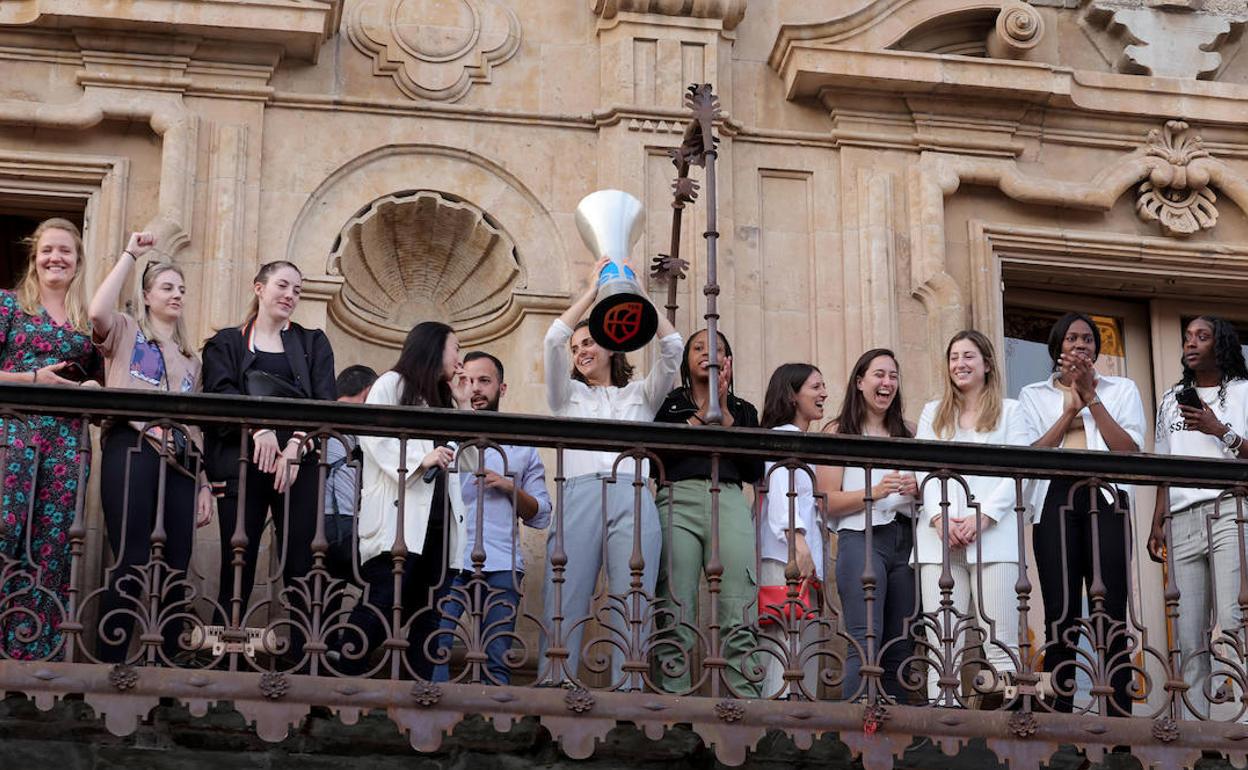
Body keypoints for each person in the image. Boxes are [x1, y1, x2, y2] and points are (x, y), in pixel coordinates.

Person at [541, 257, 682, 686]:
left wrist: (635, 294)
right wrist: (592, 291)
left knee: (633, 595)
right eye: (578, 346)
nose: (582, 350)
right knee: (566, 591)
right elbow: (552, 339)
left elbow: (672, 347)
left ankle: (630, 688)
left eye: (590, 342)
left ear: (611, 346)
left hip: (633, 495)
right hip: (580, 494)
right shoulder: (565, 397)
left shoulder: (641, 395)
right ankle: (555, 682)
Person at [88, 232, 214, 663]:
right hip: (132, 447)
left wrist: (203, 484)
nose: (176, 294)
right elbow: (96, 311)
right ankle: (111, 661)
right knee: (132, 556)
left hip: (180, 463)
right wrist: (129, 254)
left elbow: (195, 426)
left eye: (181, 289)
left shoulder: (191, 358)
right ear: (145, 297)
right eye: (167, 287)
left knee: (177, 563)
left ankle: (167, 667)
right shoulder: (124, 331)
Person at [201, 260, 337, 643]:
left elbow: (326, 404)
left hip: (298, 466)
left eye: (297, 290)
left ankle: (303, 660)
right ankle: (225, 659)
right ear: (258, 287)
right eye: (283, 285)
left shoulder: (313, 342)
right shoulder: (226, 342)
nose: (290, 295)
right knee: (237, 560)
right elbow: (220, 394)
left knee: (301, 564)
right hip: (242, 464)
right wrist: (257, 428)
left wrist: (295, 444)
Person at [1018, 312, 1144, 716]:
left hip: (1106, 499)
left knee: (1110, 609)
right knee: (1061, 610)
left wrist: (1092, 398)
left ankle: (1119, 717)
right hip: (1054, 499)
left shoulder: (1121, 389)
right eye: (1072, 339)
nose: (1081, 345)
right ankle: (1060, 713)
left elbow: (1129, 451)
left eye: (1088, 339)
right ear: (1057, 349)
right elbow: (1033, 456)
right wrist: (1069, 410)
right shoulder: (1033, 394)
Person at [342, 321, 470, 678]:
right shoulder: (391, 384)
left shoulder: (443, 398)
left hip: (441, 522)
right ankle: (341, 670)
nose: (459, 358)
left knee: (430, 611)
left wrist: (461, 404)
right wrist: (419, 461)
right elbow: (371, 435)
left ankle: (419, 689)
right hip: (400, 518)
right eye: (455, 348)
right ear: (434, 347)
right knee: (384, 598)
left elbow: (470, 456)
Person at [0, 217, 101, 660]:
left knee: (53, 546)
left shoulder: (86, 324)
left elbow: (112, 371)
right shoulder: (8, 306)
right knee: (5, 529)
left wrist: (99, 390)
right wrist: (33, 377)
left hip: (67, 441)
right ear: (34, 257)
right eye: (47, 250)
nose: (55, 258)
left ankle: (32, 652)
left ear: (78, 263)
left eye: (65, 251)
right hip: (12, 432)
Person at [914, 330, 1027, 705]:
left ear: (987, 364)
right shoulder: (934, 412)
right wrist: (939, 520)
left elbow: (1021, 472)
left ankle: (1011, 725)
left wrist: (983, 518)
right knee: (941, 642)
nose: (959, 364)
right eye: (953, 357)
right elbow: (924, 470)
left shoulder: (1011, 411)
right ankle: (939, 720)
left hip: (993, 539)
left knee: (1000, 641)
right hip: (938, 542)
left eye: (968, 356)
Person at [651, 329, 764, 698]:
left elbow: (754, 469)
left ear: (728, 360)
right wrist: (703, 414)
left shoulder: (744, 410)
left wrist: (725, 412)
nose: (707, 353)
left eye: (717, 349)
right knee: (676, 600)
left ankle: (743, 695)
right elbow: (658, 457)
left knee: (737, 599)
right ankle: (675, 695)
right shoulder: (670, 404)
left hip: (729, 498)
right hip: (677, 498)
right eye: (698, 347)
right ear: (686, 359)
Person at [1147, 316, 1248, 719]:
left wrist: (1217, 428)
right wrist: (1158, 519)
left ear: (1219, 346)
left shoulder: (1243, 392)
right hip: (1183, 518)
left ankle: (1240, 724)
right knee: (1188, 633)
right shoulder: (1172, 399)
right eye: (1187, 337)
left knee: (1232, 620)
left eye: (1202, 337)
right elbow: (1164, 465)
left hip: (1229, 511)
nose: (1191, 344)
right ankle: (1195, 728)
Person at [432, 351, 551, 685]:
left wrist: (509, 488)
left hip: (501, 562)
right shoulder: (444, 437)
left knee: (496, 657)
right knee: (435, 649)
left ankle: (491, 725)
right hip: (448, 560)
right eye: (468, 381)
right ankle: (433, 726)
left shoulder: (521, 445)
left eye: (485, 381)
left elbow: (541, 515)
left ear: (502, 388)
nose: (476, 389)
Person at [816, 349, 918, 703]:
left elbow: (931, 492)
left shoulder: (910, 433)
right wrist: (874, 492)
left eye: (892, 376)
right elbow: (825, 499)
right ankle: (858, 733)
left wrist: (917, 489)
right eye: (879, 375)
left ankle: (896, 735)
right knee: (865, 638)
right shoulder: (838, 430)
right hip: (861, 538)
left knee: (900, 645)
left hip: (906, 542)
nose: (886, 382)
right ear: (860, 382)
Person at [758, 363, 828, 699]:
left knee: (801, 641)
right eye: (815, 387)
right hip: (786, 556)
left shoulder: (801, 439)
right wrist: (797, 542)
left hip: (800, 555)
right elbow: (780, 492)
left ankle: (797, 720)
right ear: (792, 394)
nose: (823, 393)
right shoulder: (784, 435)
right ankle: (779, 722)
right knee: (787, 642)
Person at [323, 365, 378, 584]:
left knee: (326, 600)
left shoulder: (324, 416)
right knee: (385, 583)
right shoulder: (354, 421)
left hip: (311, 521)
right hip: (340, 522)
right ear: (368, 392)